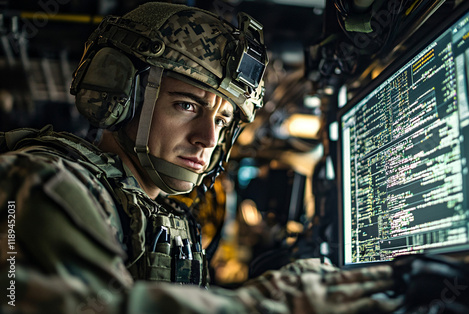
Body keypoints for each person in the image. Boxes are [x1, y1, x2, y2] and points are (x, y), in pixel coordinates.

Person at [0, 2, 402, 313]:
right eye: (188, 106)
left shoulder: (149, 210)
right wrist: (282, 301)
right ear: (121, 96)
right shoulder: (40, 181)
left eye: (223, 119)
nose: (208, 138)